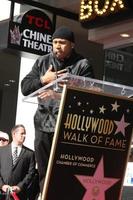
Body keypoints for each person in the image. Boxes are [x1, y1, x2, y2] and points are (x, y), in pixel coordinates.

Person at [21, 26, 94, 191]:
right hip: (42, 125)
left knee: (65, 170)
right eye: (54, 42)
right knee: (44, 172)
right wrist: (43, 80)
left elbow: (90, 96)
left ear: (72, 45)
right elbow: (25, 87)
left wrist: (58, 95)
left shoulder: (82, 64)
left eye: (62, 42)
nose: (57, 46)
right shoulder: (42, 61)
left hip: (68, 125)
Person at [0, 124, 37, 200]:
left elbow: (31, 173)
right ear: (14, 134)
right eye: (22, 133)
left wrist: (20, 187)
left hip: (19, 195)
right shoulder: (1, 151)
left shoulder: (30, 153)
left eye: (25, 134)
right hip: (1, 193)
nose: (24, 136)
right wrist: (2, 185)